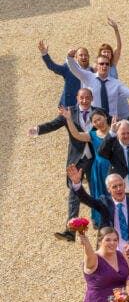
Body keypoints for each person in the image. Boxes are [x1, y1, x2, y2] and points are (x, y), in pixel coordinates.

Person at [30, 88, 95, 241]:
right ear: (77, 98)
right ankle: (70, 231)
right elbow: (54, 124)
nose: (84, 101)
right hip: (78, 158)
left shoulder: (99, 112)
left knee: (97, 189)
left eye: (87, 98)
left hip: (94, 157)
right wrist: (38, 129)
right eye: (82, 98)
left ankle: (103, 221)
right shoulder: (69, 112)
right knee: (74, 190)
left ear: (92, 98)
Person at [66, 166, 129, 251]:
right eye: (114, 187)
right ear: (108, 189)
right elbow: (87, 200)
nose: (118, 189)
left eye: (120, 185)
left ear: (124, 186)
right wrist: (77, 183)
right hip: (110, 251)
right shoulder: (105, 203)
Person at [59, 106, 111, 224]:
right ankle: (101, 219)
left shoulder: (114, 130)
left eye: (100, 119)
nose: (99, 122)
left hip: (114, 166)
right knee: (100, 194)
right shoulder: (92, 135)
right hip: (99, 169)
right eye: (95, 121)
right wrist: (69, 119)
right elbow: (76, 134)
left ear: (105, 117)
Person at [66, 48, 129, 120]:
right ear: (97, 66)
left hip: (111, 123)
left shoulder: (116, 83)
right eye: (101, 64)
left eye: (107, 64)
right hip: (94, 123)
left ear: (109, 66)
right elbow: (75, 69)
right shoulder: (89, 77)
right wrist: (70, 57)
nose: (104, 66)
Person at [38, 42, 91, 107]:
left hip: (86, 109)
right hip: (68, 108)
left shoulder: (92, 71)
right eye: (81, 55)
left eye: (85, 55)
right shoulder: (69, 68)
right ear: (76, 57)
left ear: (88, 57)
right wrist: (44, 54)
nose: (83, 57)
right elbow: (53, 67)